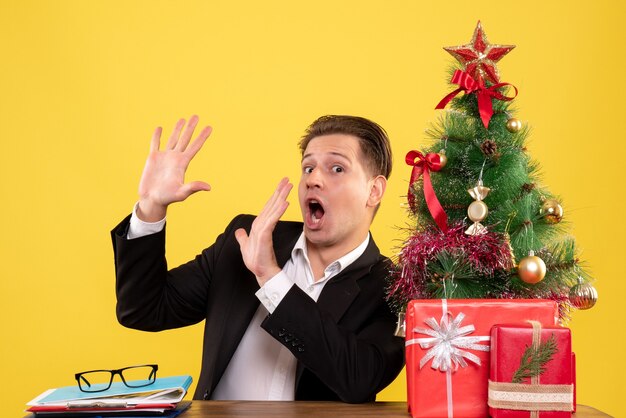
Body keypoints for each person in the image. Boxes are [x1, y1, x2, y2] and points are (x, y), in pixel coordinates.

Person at [111, 114, 404, 403]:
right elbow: (143, 309)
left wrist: (270, 278)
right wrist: (150, 208)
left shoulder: (393, 287)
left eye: (337, 168)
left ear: (374, 191)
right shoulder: (244, 240)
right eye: (308, 168)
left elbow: (360, 380)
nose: (314, 179)